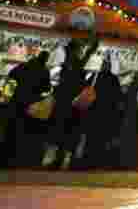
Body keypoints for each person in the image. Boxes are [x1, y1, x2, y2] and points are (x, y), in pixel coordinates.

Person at [43, 36, 100, 169]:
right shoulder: (76, 65)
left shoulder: (68, 65)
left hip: (63, 104)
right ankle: (61, 159)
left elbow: (84, 55)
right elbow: (86, 55)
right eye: (79, 50)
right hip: (71, 105)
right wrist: (92, 46)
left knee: (58, 131)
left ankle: (54, 159)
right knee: (67, 133)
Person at [0, 50, 51, 169]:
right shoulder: (44, 71)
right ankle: (17, 156)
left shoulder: (25, 66)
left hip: (17, 99)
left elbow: (11, 74)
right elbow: (47, 88)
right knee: (24, 129)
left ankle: (5, 155)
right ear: (45, 59)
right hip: (31, 104)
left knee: (11, 128)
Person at [83, 55, 124, 169]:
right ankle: (99, 161)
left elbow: (86, 89)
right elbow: (118, 96)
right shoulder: (114, 79)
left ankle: (88, 160)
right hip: (107, 113)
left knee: (91, 138)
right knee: (102, 139)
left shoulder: (94, 76)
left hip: (94, 112)